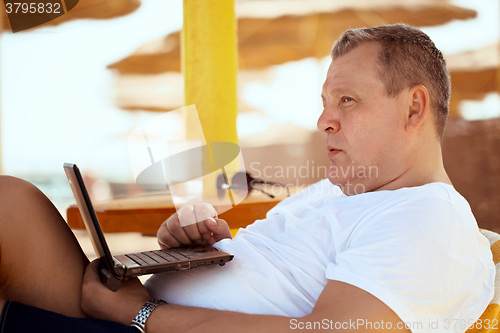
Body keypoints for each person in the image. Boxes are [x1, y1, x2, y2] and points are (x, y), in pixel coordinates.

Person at [0, 24, 494, 333]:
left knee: (8, 211)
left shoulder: (428, 219)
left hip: (135, 325)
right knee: (11, 203)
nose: (325, 121)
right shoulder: (341, 194)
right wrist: (185, 252)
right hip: (132, 310)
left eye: (347, 100)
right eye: (324, 103)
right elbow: (271, 279)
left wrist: (141, 315)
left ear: (414, 108)